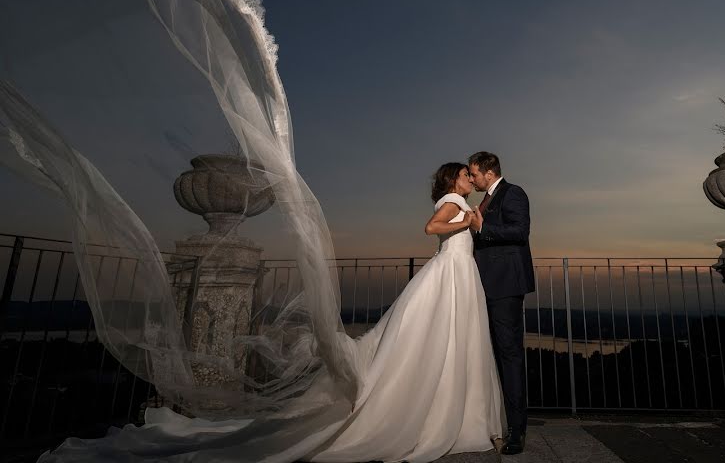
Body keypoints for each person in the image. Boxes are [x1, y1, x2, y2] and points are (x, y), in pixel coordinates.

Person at [40, 163, 505, 462]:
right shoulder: (452, 202)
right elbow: (431, 227)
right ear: (452, 181)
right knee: (435, 340)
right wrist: (469, 218)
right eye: (465, 175)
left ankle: (445, 404)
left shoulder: (463, 202)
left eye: (471, 175)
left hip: (458, 275)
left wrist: (475, 216)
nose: (469, 177)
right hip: (448, 275)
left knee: (448, 341)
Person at [467, 151, 535, 455]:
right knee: (490, 353)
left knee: (509, 355)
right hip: (484, 286)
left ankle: (517, 431)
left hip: (505, 286)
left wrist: (482, 228)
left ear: (489, 172)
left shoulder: (513, 193)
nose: (471, 178)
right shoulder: (484, 200)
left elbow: (520, 232)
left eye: (474, 174)